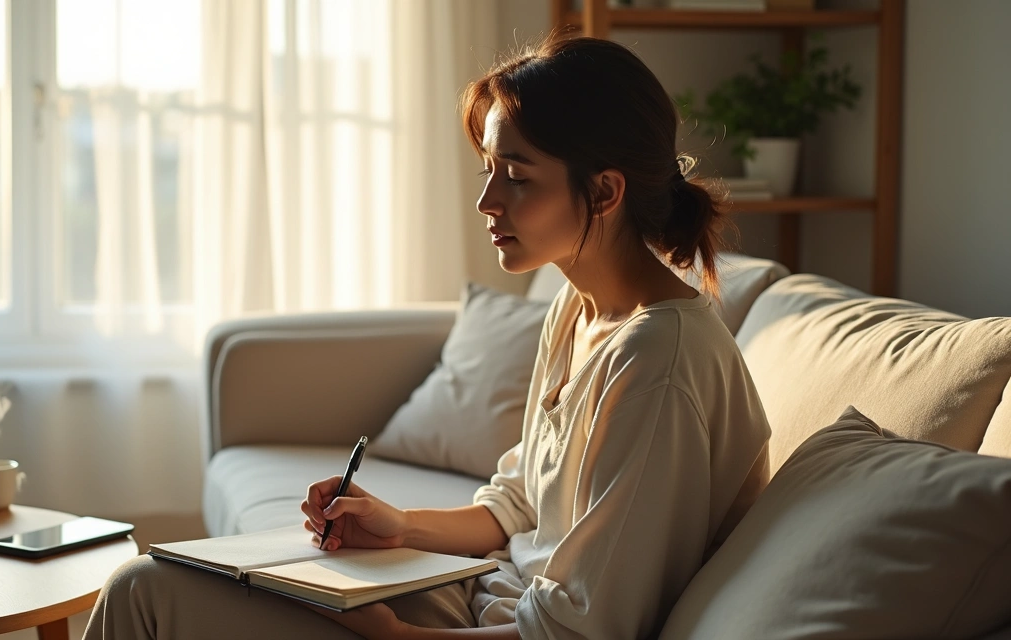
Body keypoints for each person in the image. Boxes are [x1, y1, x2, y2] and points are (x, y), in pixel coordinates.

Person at [82, 32, 771, 640]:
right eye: (490, 171)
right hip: (478, 595)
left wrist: (395, 634)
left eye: (518, 177)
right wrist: (398, 525)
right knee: (144, 582)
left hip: (497, 625)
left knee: (139, 597)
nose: (487, 202)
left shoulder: (661, 360)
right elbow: (519, 504)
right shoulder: (578, 308)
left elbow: (584, 629)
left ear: (606, 191)